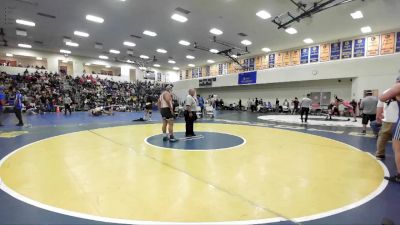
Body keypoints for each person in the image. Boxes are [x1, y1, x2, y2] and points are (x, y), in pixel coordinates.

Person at [379, 82, 400, 183]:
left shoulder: (398, 86)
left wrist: (393, 92)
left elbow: (382, 98)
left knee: (397, 149)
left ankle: (399, 176)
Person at [375, 77, 400, 160]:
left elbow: (380, 104)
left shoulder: (386, 92)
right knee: (396, 141)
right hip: (397, 120)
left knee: (382, 137)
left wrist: (378, 115)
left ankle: (379, 154)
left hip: (388, 119)